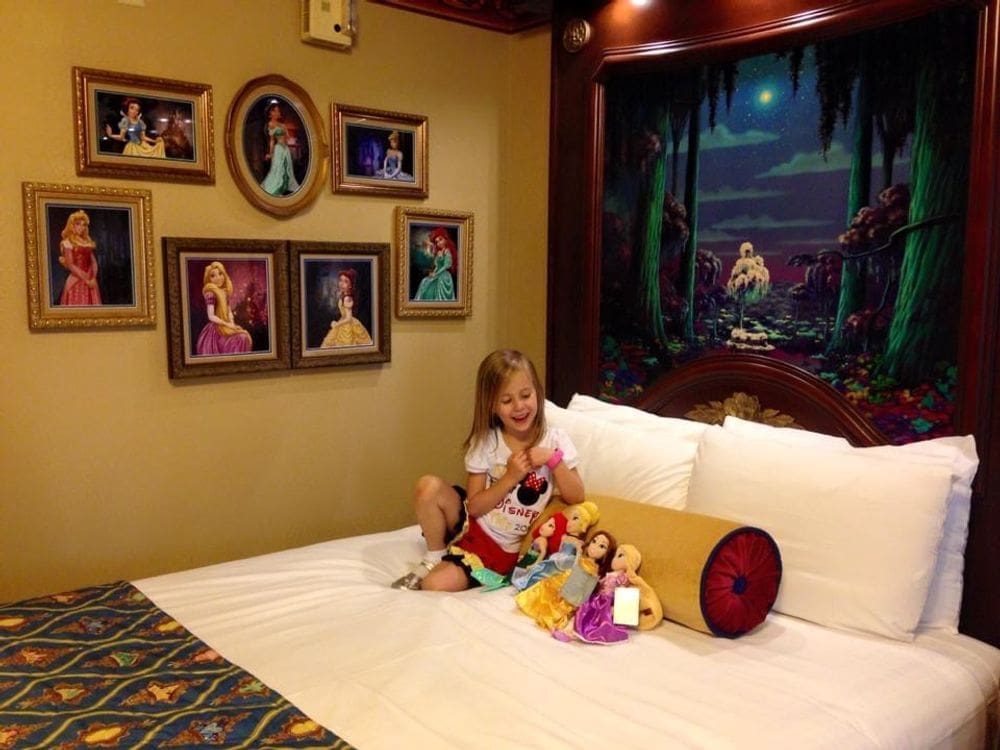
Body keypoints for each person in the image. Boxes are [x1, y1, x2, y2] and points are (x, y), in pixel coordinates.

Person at [391, 349, 586, 591]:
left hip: (498, 547)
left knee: (434, 585)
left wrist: (552, 459)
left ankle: (448, 563)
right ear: (492, 406)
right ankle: (435, 556)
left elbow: (577, 495)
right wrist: (510, 477)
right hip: (469, 521)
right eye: (506, 401)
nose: (519, 407)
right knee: (427, 486)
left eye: (525, 395)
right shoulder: (487, 442)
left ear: (537, 391)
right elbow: (473, 507)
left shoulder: (555, 441)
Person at [514, 529, 616, 633]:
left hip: (570, 593)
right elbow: (572, 567)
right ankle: (530, 604)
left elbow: (583, 589)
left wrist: (574, 601)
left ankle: (546, 613)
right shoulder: (583, 559)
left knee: (552, 596)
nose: (594, 546)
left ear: (606, 554)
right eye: (594, 541)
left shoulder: (593, 570)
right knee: (545, 584)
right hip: (563, 581)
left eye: (602, 546)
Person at [195, 261, 253, 356]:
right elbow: (211, 316)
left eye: (220, 274)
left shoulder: (224, 293)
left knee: (244, 336)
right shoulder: (211, 293)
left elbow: (229, 310)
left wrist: (231, 323)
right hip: (216, 331)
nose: (218, 278)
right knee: (241, 338)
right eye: (213, 276)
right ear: (208, 279)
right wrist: (226, 324)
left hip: (227, 326)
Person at [57, 210, 102, 306]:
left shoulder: (86, 242)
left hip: (90, 280)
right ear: (72, 225)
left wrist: (93, 278)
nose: (81, 227)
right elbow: (71, 265)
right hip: (76, 281)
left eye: (83, 225)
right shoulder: (67, 242)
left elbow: (93, 262)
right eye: (78, 224)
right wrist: (86, 280)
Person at [321, 269, 373, 348]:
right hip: (343, 321)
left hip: (348, 325)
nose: (341, 283)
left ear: (350, 285)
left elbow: (348, 318)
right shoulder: (343, 295)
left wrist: (336, 324)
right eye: (341, 280)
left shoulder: (347, 298)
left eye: (346, 281)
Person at [260, 103, 300, 196]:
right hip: (278, 149)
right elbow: (272, 141)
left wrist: (287, 136)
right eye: (276, 110)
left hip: (285, 149)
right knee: (277, 169)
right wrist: (270, 153)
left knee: (287, 167)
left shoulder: (282, 125)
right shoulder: (271, 124)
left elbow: (287, 138)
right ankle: (276, 187)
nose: (278, 112)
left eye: (278, 111)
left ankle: (285, 185)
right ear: (271, 112)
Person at [414, 227, 457, 301]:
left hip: (444, 276)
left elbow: (447, 265)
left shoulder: (447, 252)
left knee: (431, 285)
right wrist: (433, 273)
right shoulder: (439, 252)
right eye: (437, 242)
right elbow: (437, 266)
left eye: (440, 240)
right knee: (425, 281)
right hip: (438, 273)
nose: (439, 243)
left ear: (446, 239)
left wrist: (436, 274)